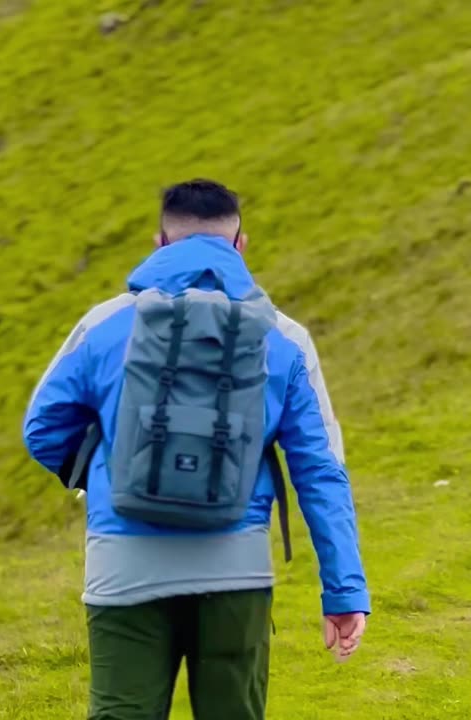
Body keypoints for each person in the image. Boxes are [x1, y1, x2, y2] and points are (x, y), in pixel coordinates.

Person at [23, 179, 370, 719]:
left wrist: (112, 474)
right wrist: (344, 591)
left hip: (123, 563)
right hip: (236, 568)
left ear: (160, 241)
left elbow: (41, 428)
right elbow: (321, 471)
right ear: (240, 245)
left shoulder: (104, 323)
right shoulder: (284, 337)